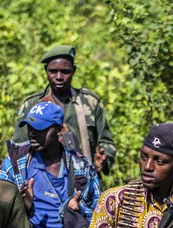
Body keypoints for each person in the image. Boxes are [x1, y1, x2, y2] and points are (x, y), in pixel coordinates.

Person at [12, 45, 117, 174]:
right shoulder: (32, 105)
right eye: (53, 71)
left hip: (84, 178)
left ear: (74, 70)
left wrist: (103, 158)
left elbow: (106, 142)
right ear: (46, 70)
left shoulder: (90, 102)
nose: (59, 76)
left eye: (65, 71)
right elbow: (19, 149)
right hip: (43, 179)